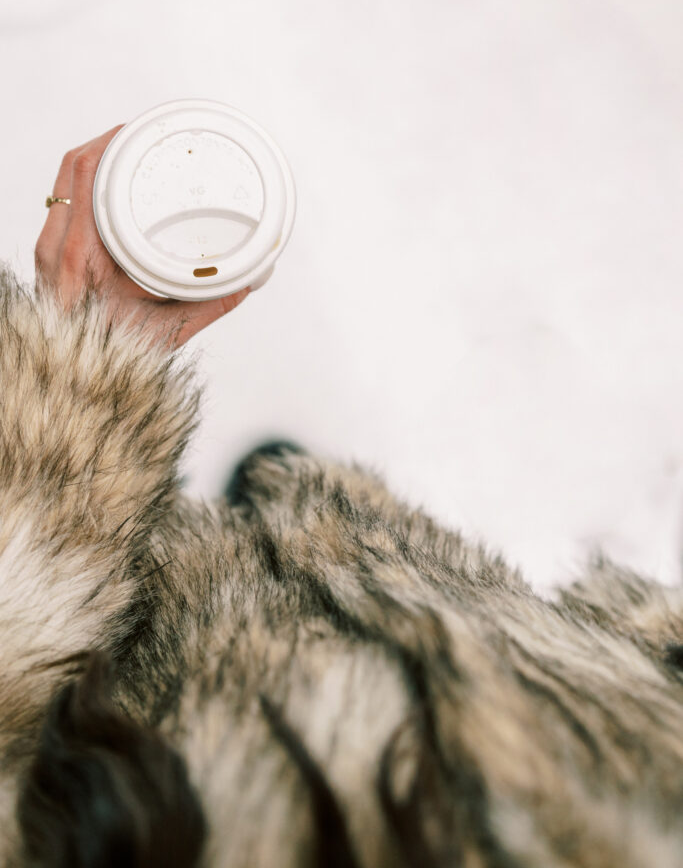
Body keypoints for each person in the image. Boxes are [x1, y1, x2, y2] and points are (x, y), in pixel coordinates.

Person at [0, 127, 682, 868]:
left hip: (159, 644)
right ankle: (296, 509)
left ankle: (276, 517)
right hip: (432, 598)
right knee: (322, 508)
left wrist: (78, 382)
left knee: (237, 535)